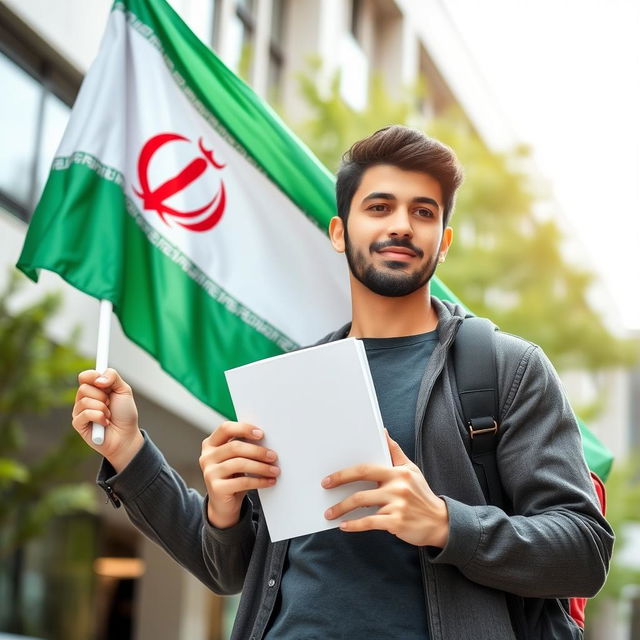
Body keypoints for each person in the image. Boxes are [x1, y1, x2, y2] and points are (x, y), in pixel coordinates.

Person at [72, 125, 613, 639]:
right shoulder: (294, 380)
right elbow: (230, 570)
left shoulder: (505, 368)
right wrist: (135, 455)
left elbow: (584, 551)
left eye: (422, 212)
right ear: (339, 231)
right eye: (379, 207)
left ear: (443, 241)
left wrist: (448, 524)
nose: (400, 224)